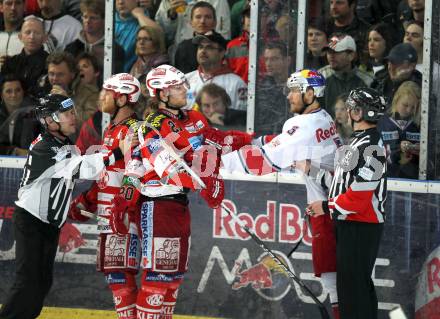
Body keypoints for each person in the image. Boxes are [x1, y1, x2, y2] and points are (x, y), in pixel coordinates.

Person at [107, 64, 226, 319]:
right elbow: (136, 166)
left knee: (172, 281)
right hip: (157, 206)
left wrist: (213, 175)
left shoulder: (192, 119)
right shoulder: (151, 125)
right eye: (177, 87)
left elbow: (209, 150)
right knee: (158, 279)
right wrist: (123, 202)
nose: (185, 90)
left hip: (179, 206)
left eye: (184, 84)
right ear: (161, 94)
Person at [221, 69, 342, 319]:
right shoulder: (322, 117)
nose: (288, 96)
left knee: (336, 285)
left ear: (310, 93)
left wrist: (215, 164)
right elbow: (286, 146)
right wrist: (248, 141)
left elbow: (262, 163)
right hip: (335, 207)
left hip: (330, 212)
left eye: (294, 91)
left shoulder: (304, 124)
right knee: (337, 283)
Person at [0, 93, 130, 319]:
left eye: (73, 112)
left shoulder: (62, 144)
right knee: (28, 282)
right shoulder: (44, 147)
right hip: (31, 222)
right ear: (50, 120)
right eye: (68, 113)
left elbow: (65, 179)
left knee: (41, 283)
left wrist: (68, 206)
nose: (74, 117)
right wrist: (118, 151)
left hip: (48, 224)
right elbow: (81, 168)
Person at [307, 87, 387, 319]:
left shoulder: (374, 147)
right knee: (354, 288)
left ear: (359, 113)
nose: (347, 112)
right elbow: (338, 181)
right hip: (349, 223)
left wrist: (326, 207)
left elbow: (359, 196)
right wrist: (308, 169)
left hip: (361, 225)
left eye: (351, 108)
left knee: (354, 291)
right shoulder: (356, 142)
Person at [68, 73, 142, 319]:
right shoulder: (113, 129)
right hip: (110, 214)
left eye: (108, 93)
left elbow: (134, 176)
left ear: (121, 99)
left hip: (123, 216)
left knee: (121, 274)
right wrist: (87, 200)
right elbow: (107, 174)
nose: (102, 97)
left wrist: (126, 210)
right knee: (116, 274)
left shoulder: (133, 130)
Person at [377, 80, 420, 178]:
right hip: (387, 178)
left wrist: (420, 150)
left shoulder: (419, 124)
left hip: (413, 179)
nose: (409, 110)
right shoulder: (383, 122)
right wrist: (398, 148)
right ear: (396, 99)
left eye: (413, 107)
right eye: (405, 105)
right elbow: (376, 152)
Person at [173, 1, 217, 73]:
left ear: (215, 22)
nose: (202, 21)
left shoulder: (224, 46)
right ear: (191, 23)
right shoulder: (183, 48)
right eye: (198, 17)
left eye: (207, 17)